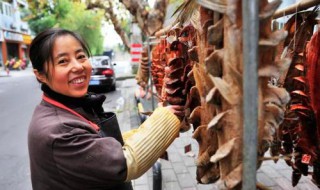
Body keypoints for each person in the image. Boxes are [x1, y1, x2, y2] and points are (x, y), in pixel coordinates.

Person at [28, 28, 184, 190]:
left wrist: (156, 121)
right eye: (63, 61)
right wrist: (166, 118)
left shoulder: (68, 106)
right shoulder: (58, 131)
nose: (77, 67)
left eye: (81, 57)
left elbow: (98, 143)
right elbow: (124, 163)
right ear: (40, 75)